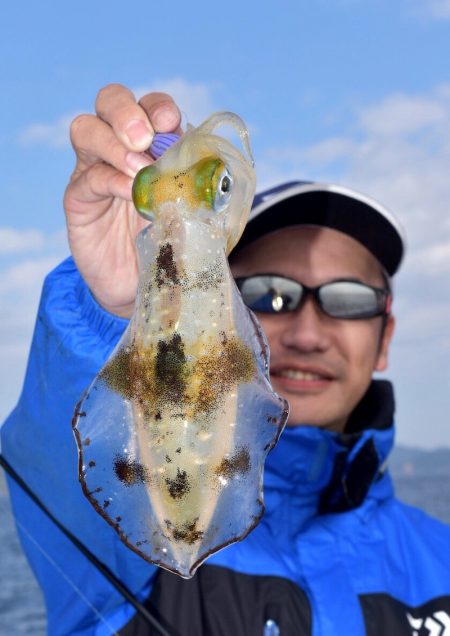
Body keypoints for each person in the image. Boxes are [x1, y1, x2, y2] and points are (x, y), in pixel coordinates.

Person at [2, 84, 450, 636]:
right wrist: (113, 310)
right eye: (269, 293)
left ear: (386, 337)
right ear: (229, 303)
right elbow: (54, 478)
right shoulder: (130, 571)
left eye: (349, 300)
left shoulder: (442, 564)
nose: (309, 332)